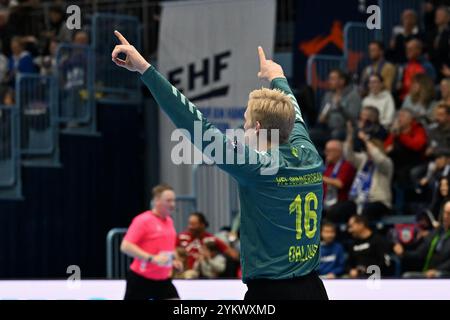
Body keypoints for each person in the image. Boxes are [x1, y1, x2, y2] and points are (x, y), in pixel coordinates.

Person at [112, 31, 328, 300]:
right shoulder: (307, 151)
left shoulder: (258, 167)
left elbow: (194, 123)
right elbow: (292, 110)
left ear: (259, 129)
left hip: (272, 293)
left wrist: (145, 69)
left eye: (246, 122)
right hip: (315, 290)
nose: (244, 128)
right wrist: (277, 76)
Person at [120, 184, 181, 300]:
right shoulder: (143, 220)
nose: (172, 204)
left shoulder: (169, 221)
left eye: (173, 200)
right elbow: (125, 246)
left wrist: (175, 259)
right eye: (168, 201)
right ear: (157, 201)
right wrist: (151, 258)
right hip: (141, 279)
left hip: (163, 280)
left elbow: (169, 247)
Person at [343, 122, 393, 221]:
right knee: (339, 209)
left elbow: (378, 157)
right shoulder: (364, 160)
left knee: (366, 211)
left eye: (370, 149)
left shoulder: (386, 163)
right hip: (358, 199)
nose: (368, 152)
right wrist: (350, 136)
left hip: (378, 201)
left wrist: (366, 139)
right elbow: (348, 156)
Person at [394, 200, 450, 278]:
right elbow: (420, 253)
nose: (445, 216)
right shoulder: (437, 232)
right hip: (428, 273)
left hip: (444, 275)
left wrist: (437, 270)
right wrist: (403, 252)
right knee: (407, 276)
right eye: (445, 212)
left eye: (449, 213)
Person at [312, 68, 361, 145]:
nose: (329, 82)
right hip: (327, 127)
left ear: (342, 81)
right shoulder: (328, 95)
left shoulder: (353, 95)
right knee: (309, 134)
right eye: (329, 79)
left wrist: (340, 107)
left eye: (333, 79)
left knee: (335, 134)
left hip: (345, 129)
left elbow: (353, 118)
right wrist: (322, 118)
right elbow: (321, 115)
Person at [322, 140, 356, 223]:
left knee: (334, 211)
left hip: (342, 202)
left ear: (338, 152)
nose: (326, 153)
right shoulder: (328, 167)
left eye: (329, 151)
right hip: (325, 201)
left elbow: (340, 183)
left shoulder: (346, 166)